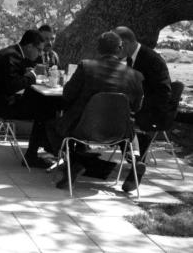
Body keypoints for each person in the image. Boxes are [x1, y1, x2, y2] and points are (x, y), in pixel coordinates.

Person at [46, 31, 144, 189]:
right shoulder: (135, 76)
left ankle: (72, 164)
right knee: (129, 128)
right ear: (120, 48)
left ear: (98, 48)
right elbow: (136, 108)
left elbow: (67, 94)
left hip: (83, 128)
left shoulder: (86, 66)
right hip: (119, 132)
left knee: (51, 125)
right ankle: (136, 162)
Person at [0, 29, 61, 168]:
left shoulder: (13, 52)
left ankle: (48, 147)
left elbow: (12, 79)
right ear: (29, 46)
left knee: (44, 105)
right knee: (45, 110)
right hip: (1, 106)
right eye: (39, 50)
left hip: (0, 100)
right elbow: (12, 86)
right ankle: (34, 155)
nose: (40, 53)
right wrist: (31, 75)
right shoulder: (11, 56)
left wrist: (26, 74)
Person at [114, 26, 172, 192]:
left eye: (116, 46)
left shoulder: (150, 59)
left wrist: (137, 110)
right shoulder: (132, 58)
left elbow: (163, 92)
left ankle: (135, 169)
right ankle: (136, 161)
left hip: (154, 111)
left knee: (122, 125)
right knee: (114, 120)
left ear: (124, 43)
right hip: (136, 107)